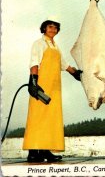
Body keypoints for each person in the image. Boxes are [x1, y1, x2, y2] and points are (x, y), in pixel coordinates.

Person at [22, 18, 82, 162]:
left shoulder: (55, 46)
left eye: (55, 28)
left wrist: (76, 73)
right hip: (41, 86)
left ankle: (44, 151)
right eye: (50, 27)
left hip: (55, 87)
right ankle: (33, 153)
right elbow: (34, 62)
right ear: (44, 29)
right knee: (37, 117)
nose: (53, 29)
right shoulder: (39, 44)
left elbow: (64, 64)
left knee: (50, 118)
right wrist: (34, 82)